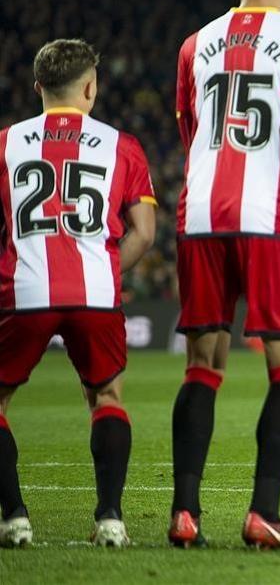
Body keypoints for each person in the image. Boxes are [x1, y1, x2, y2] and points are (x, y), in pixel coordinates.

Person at [170, 0, 280, 549]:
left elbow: (189, 127)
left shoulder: (194, 44)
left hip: (201, 213)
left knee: (203, 366)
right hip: (270, 215)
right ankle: (264, 512)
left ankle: (184, 513)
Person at [0, 39, 157, 548]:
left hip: (23, 289)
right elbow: (145, 232)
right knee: (106, 396)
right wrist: (107, 270)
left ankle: (14, 518)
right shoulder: (121, 144)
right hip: (94, 292)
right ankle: (110, 519)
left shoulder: (4, 143)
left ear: (37, 87)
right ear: (91, 87)